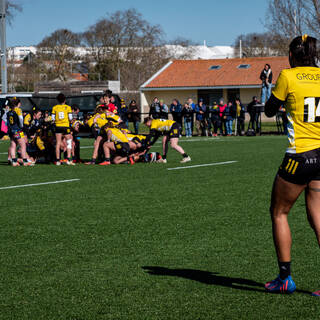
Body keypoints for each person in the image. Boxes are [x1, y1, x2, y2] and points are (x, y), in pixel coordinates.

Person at [264, 34, 320, 296]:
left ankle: (284, 278)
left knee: (279, 212)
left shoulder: (288, 76)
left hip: (300, 156)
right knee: (318, 217)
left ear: (292, 55)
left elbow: (269, 110)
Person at [7, 97, 32, 166]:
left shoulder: (9, 110)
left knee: (13, 145)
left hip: (11, 130)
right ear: (18, 103)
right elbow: (21, 118)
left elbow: (5, 119)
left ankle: (14, 161)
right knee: (23, 145)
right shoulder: (18, 110)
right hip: (18, 130)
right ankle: (25, 161)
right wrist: (21, 126)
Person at [51, 93, 74, 165]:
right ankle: (68, 159)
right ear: (65, 99)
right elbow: (70, 118)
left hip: (58, 126)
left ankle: (58, 160)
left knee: (58, 143)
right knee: (69, 141)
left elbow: (53, 118)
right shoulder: (68, 107)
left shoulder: (55, 107)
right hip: (66, 126)